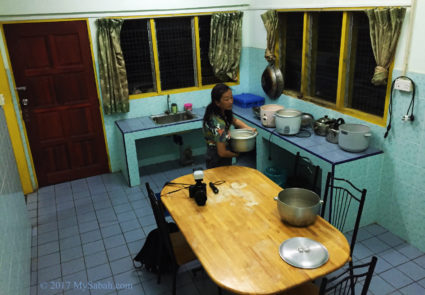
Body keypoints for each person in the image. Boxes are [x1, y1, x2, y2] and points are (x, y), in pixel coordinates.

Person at [203, 83, 256, 169]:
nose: (231, 101)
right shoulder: (218, 123)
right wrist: (237, 154)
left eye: (231, 97)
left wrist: (249, 129)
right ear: (217, 102)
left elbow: (234, 120)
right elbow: (222, 152)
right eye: (226, 99)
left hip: (222, 151)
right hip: (217, 158)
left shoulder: (222, 110)